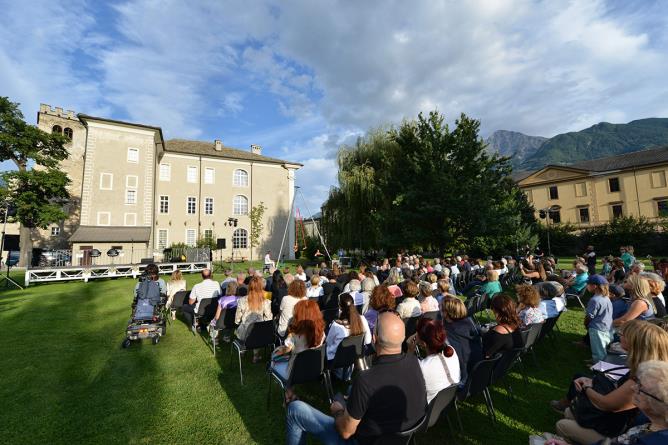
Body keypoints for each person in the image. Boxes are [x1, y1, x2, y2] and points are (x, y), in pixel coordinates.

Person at [284, 312, 426, 444]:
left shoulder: (366, 381)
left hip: (359, 440)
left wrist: (338, 411)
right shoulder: (414, 362)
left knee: (295, 409)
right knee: (351, 391)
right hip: (398, 438)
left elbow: (345, 432)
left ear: (374, 339)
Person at [551, 320, 668, 444]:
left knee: (562, 424)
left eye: (624, 333)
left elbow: (605, 404)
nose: (620, 334)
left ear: (636, 343)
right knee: (570, 412)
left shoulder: (643, 380)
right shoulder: (649, 373)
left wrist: (586, 387)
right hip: (616, 424)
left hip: (614, 429)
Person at [271, 299, 326, 403]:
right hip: (315, 367)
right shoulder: (321, 332)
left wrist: (277, 352)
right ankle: (290, 395)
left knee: (273, 358)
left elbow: (286, 350)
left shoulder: (294, 336)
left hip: (295, 371)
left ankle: (289, 393)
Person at [407, 317, 460, 403]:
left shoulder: (421, 368)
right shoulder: (451, 351)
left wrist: (410, 351)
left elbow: (406, 383)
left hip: (426, 410)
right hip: (446, 403)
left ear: (423, 344)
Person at [325, 293, 372, 378]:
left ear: (340, 307)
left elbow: (328, 342)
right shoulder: (362, 319)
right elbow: (368, 340)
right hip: (355, 356)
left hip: (336, 360)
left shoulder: (336, 325)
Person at [441, 296, 482, 386]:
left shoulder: (451, 331)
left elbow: (458, 356)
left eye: (441, 308)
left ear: (446, 312)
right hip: (478, 362)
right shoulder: (468, 320)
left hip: (464, 372)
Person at [234, 276, 273, 361]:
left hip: (244, 331)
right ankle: (256, 355)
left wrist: (237, 323)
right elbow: (269, 318)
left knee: (246, 328)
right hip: (259, 332)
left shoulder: (242, 300)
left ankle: (243, 350)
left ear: (249, 286)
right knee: (257, 329)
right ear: (261, 287)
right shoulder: (266, 301)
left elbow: (237, 319)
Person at [482, 294, 523, 358]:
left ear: (497, 312)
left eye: (493, 309)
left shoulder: (497, 333)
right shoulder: (516, 326)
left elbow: (486, 355)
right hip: (504, 363)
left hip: (485, 364)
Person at [584, 275, 614, 363]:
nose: (587, 286)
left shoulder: (594, 300)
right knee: (601, 347)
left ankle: (598, 365)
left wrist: (586, 324)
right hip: (606, 326)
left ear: (594, 286)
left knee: (598, 350)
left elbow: (590, 316)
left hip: (597, 328)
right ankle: (596, 360)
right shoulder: (605, 297)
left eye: (588, 284)